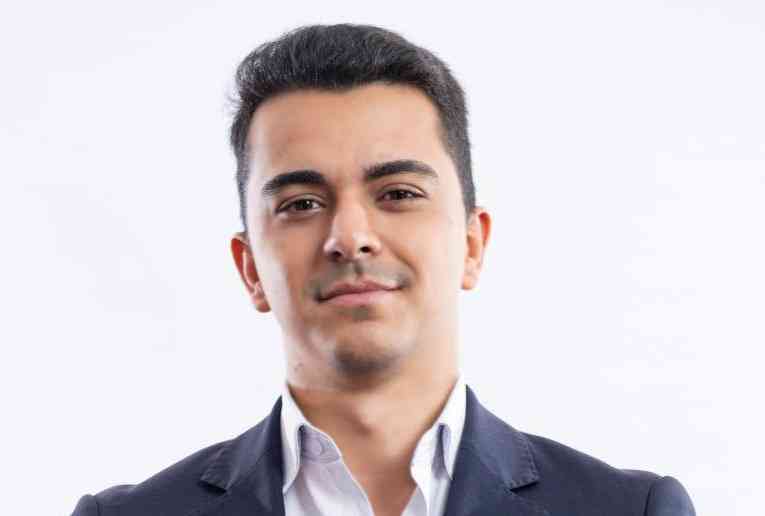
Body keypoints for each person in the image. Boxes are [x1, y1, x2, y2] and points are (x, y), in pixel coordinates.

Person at [71, 23, 696, 516]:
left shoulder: (629, 509)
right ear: (250, 268)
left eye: (398, 193)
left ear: (472, 245)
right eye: (301, 204)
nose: (350, 238)